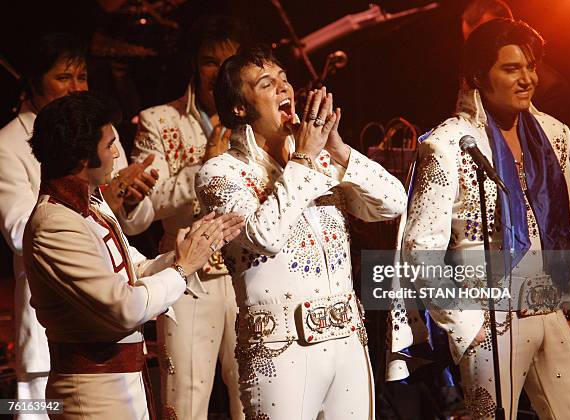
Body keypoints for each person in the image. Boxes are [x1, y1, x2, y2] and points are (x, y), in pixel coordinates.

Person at [392, 19, 570, 419]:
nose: (527, 79)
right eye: (510, 69)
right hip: (488, 318)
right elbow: (420, 249)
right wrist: (466, 327)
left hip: (549, 306)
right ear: (477, 76)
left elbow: (564, 224)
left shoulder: (555, 135)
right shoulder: (448, 144)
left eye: (531, 66)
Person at [195, 44, 407, 419]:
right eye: (266, 83)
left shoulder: (321, 159)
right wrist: (306, 159)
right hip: (280, 350)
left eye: (284, 79)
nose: (284, 88)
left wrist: (339, 151)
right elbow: (265, 235)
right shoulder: (220, 173)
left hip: (348, 343)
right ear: (240, 107)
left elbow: (393, 204)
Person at [23, 90, 243, 419]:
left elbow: (135, 269)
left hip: (122, 384)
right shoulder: (54, 223)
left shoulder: (91, 207)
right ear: (84, 159)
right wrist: (182, 269)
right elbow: (125, 306)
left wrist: (189, 250)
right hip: (92, 395)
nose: (116, 154)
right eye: (110, 145)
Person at [0, 33, 156, 418]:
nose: (75, 88)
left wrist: (128, 200)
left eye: (82, 76)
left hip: (114, 332)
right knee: (36, 410)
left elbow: (128, 224)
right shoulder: (8, 142)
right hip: (53, 325)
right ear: (35, 82)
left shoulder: (101, 131)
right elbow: (23, 229)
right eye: (63, 77)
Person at [130, 14, 246, 419]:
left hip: (253, 274)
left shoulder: (259, 119)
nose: (219, 72)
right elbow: (139, 212)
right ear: (196, 65)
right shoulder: (160, 121)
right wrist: (204, 168)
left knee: (257, 399)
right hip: (190, 276)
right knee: (185, 400)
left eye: (229, 62)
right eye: (210, 61)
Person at [461, 0, 570, 124]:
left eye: (485, 39)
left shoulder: (551, 89)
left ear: (507, 28)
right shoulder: (470, 78)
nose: (478, 53)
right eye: (471, 43)